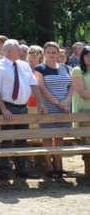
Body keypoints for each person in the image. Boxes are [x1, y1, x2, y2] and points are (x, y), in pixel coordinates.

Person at [0, 39, 44, 180]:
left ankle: (21, 169)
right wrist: (3, 109)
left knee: (22, 140)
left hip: (23, 108)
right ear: (8, 52)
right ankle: (4, 169)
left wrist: (41, 103)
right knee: (7, 140)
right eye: (18, 49)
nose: (21, 51)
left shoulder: (24, 65)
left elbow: (33, 85)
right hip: (8, 107)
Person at [34, 42, 74, 178]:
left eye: (54, 52)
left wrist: (66, 101)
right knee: (47, 136)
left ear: (58, 54)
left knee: (59, 137)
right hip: (48, 107)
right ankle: (49, 168)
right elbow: (41, 88)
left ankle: (59, 167)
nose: (51, 55)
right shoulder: (40, 68)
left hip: (64, 108)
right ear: (44, 53)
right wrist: (57, 102)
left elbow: (72, 86)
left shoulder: (66, 68)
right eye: (49, 52)